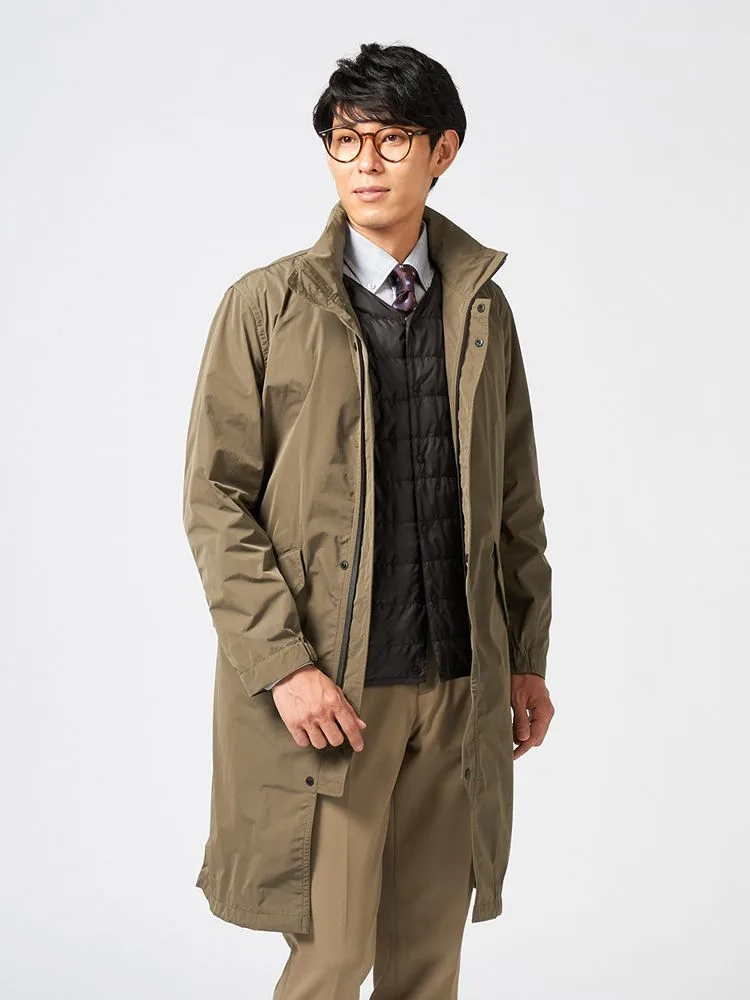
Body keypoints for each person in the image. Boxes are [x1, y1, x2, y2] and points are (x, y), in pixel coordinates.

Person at [182, 40, 554, 1000]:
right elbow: (216, 503)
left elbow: (516, 501)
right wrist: (284, 666)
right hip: (337, 689)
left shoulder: (482, 309)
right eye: (345, 142)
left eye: (390, 140)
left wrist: (525, 656)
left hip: (458, 682)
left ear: (443, 151)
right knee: (333, 957)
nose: (365, 164)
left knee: (429, 965)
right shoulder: (266, 307)